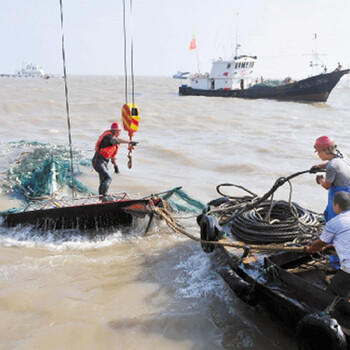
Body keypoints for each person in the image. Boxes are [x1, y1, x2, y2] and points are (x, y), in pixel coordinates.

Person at [305, 191, 350, 298]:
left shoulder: (335, 222)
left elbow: (320, 243)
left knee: (331, 296)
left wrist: (309, 249)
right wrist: (335, 248)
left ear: (336, 205)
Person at [92, 122, 137, 202]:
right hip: (98, 161)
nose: (120, 133)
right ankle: (104, 198)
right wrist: (129, 142)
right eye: (119, 131)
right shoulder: (108, 137)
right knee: (108, 177)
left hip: (104, 162)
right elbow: (116, 140)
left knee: (103, 181)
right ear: (115, 131)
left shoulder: (112, 139)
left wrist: (116, 168)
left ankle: (101, 199)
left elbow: (113, 157)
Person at [310, 136, 350, 222]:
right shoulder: (342, 156)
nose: (318, 155)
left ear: (325, 151)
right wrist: (319, 166)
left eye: (318, 152)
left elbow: (327, 186)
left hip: (338, 194)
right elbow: (333, 162)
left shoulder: (331, 166)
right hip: (347, 190)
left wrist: (320, 180)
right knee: (329, 213)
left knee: (334, 219)